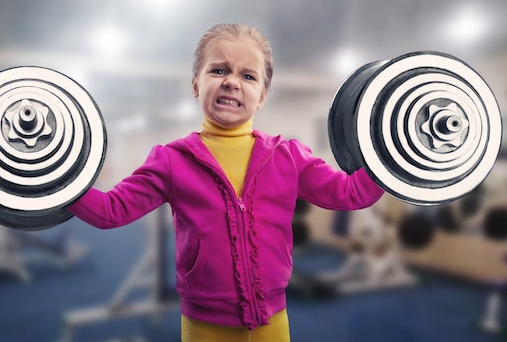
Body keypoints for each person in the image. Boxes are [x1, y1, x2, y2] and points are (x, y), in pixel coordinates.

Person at [68, 22, 385, 341]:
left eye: (248, 76)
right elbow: (111, 211)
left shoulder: (288, 157)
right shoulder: (171, 161)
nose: (232, 82)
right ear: (195, 84)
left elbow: (351, 193)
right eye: (219, 71)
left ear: (262, 95)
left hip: (271, 319)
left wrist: (391, 156)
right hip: (205, 324)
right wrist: (56, 180)